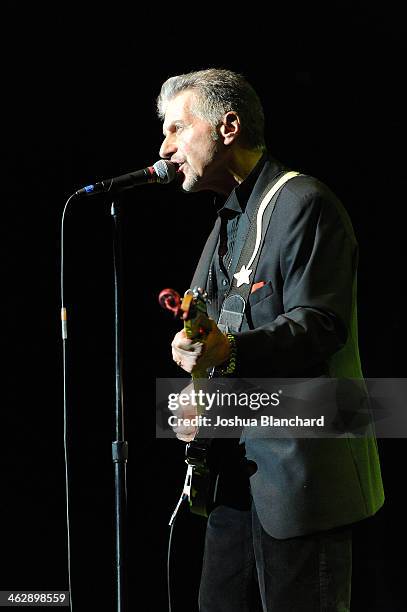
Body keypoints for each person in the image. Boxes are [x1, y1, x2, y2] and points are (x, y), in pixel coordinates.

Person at [157, 68, 384, 612]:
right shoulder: (224, 224)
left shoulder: (304, 201)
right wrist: (192, 365)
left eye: (175, 129)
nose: (165, 149)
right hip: (234, 480)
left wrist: (228, 351)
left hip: (301, 479)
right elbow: (211, 335)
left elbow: (321, 325)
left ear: (227, 126)